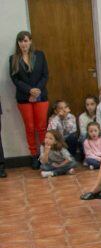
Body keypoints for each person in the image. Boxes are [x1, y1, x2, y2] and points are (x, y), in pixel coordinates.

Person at [9, 31, 49, 165]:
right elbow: (15, 79)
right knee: (30, 128)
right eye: (20, 41)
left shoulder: (40, 55)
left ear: (30, 41)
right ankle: (33, 155)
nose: (23, 44)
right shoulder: (13, 58)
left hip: (41, 96)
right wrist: (29, 91)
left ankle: (44, 155)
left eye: (26, 41)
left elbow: (45, 75)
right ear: (18, 43)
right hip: (23, 98)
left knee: (42, 127)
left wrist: (36, 90)